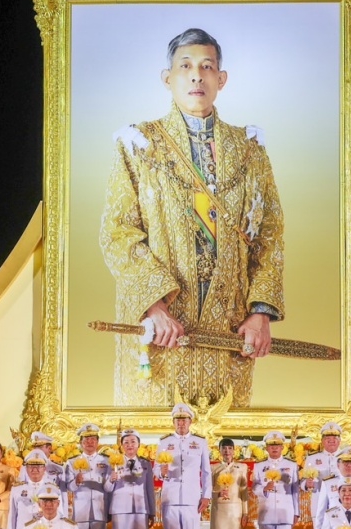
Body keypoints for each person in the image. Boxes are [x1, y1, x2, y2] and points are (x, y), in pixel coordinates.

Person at [100, 26, 285, 408]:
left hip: (229, 326)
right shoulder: (139, 144)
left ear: (222, 79)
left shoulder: (249, 151)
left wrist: (260, 313)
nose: (196, 75)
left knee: (226, 456)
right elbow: (118, 232)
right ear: (168, 79)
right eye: (185, 66)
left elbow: (269, 235)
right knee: (153, 451)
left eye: (206, 66)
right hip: (163, 325)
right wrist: (153, 305)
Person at [157, 404, 211, 529]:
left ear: (190, 421)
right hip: (170, 497)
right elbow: (157, 469)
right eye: (178, 420)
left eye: (184, 419)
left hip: (191, 498)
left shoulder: (200, 442)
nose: (181, 423)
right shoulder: (164, 442)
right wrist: (161, 471)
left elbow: (206, 471)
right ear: (173, 422)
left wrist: (206, 496)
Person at [106, 430, 155, 529]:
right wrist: (111, 479)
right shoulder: (114, 462)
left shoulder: (146, 464)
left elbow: (149, 489)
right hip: (121, 510)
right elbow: (106, 488)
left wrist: (152, 512)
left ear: (138, 444)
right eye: (126, 442)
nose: (129, 445)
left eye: (133, 441)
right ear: (121, 445)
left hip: (140, 510)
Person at [65, 423, 109, 529]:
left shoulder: (105, 461)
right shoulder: (72, 462)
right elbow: (69, 487)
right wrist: (76, 481)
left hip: (99, 509)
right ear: (81, 442)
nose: (90, 442)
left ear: (97, 442)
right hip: (81, 509)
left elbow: (110, 486)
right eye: (86, 439)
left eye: (93, 439)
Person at [254, 431, 299, 529]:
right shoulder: (259, 466)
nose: (274, 448)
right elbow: (255, 487)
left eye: (277, 445)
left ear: (282, 447)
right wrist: (264, 488)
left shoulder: (291, 465)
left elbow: (295, 490)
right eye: (271, 445)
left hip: (285, 512)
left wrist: (296, 512)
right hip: (266, 512)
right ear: (266, 447)